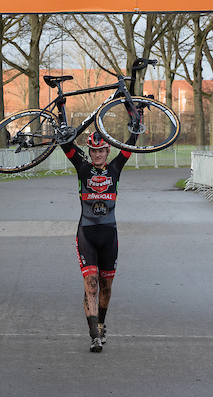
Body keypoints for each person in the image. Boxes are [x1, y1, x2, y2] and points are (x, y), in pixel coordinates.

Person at [61, 131, 137, 352]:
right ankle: (94, 334)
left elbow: (129, 147)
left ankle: (102, 324)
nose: (97, 155)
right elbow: (67, 146)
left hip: (110, 235)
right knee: (91, 284)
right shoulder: (83, 168)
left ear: (107, 151)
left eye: (101, 151)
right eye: (93, 151)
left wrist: (136, 118)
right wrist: (61, 119)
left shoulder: (115, 169)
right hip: (87, 233)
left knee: (106, 286)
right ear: (90, 151)